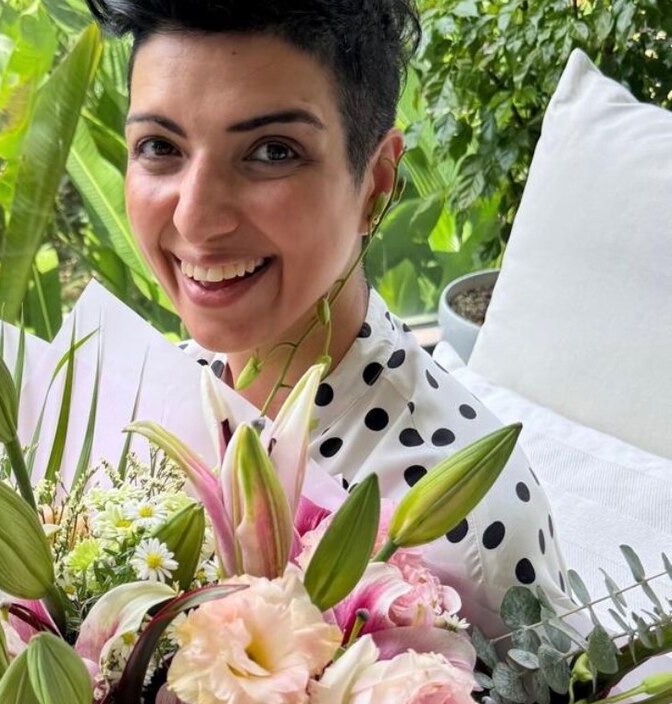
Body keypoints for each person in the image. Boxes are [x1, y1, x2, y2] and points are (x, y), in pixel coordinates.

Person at [85, 0, 567, 634]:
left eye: (273, 151)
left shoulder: (466, 519)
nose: (194, 218)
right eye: (159, 146)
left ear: (377, 184)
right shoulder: (134, 414)